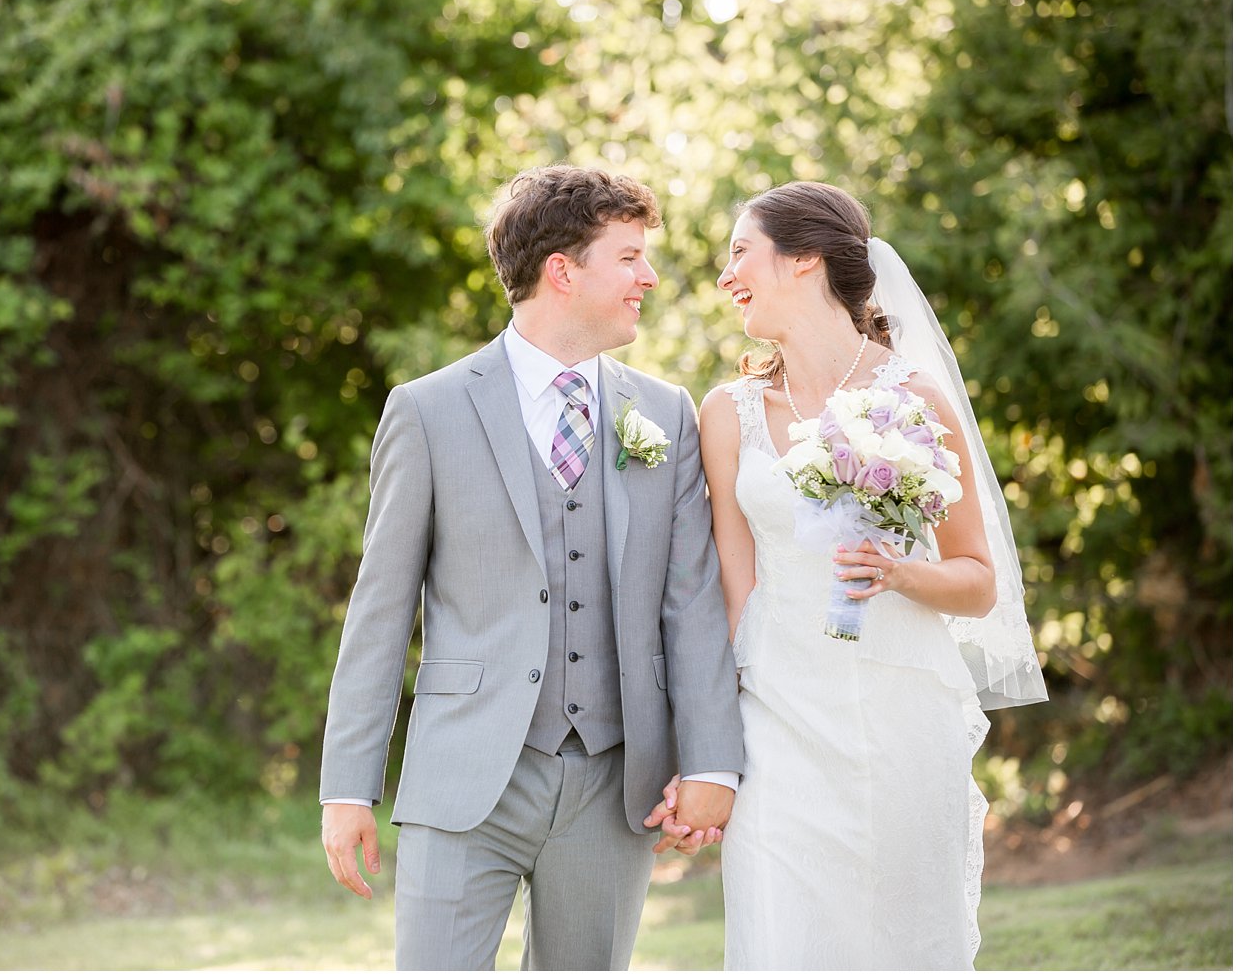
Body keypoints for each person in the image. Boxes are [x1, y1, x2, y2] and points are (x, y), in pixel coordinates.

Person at [319, 165, 745, 971]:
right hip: (464, 778)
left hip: (612, 785)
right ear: (562, 270)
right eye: (628, 257)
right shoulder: (429, 410)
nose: (647, 277)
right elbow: (381, 609)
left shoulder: (665, 415)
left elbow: (689, 602)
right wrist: (348, 786)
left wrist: (712, 759)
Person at [692, 181, 1047, 970]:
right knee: (779, 934)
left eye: (740, 251)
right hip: (776, 717)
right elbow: (731, 584)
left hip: (898, 709)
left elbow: (978, 579)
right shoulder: (729, 412)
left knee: (904, 939)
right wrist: (706, 744)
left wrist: (899, 573)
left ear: (806, 259)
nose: (726, 276)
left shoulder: (913, 398)